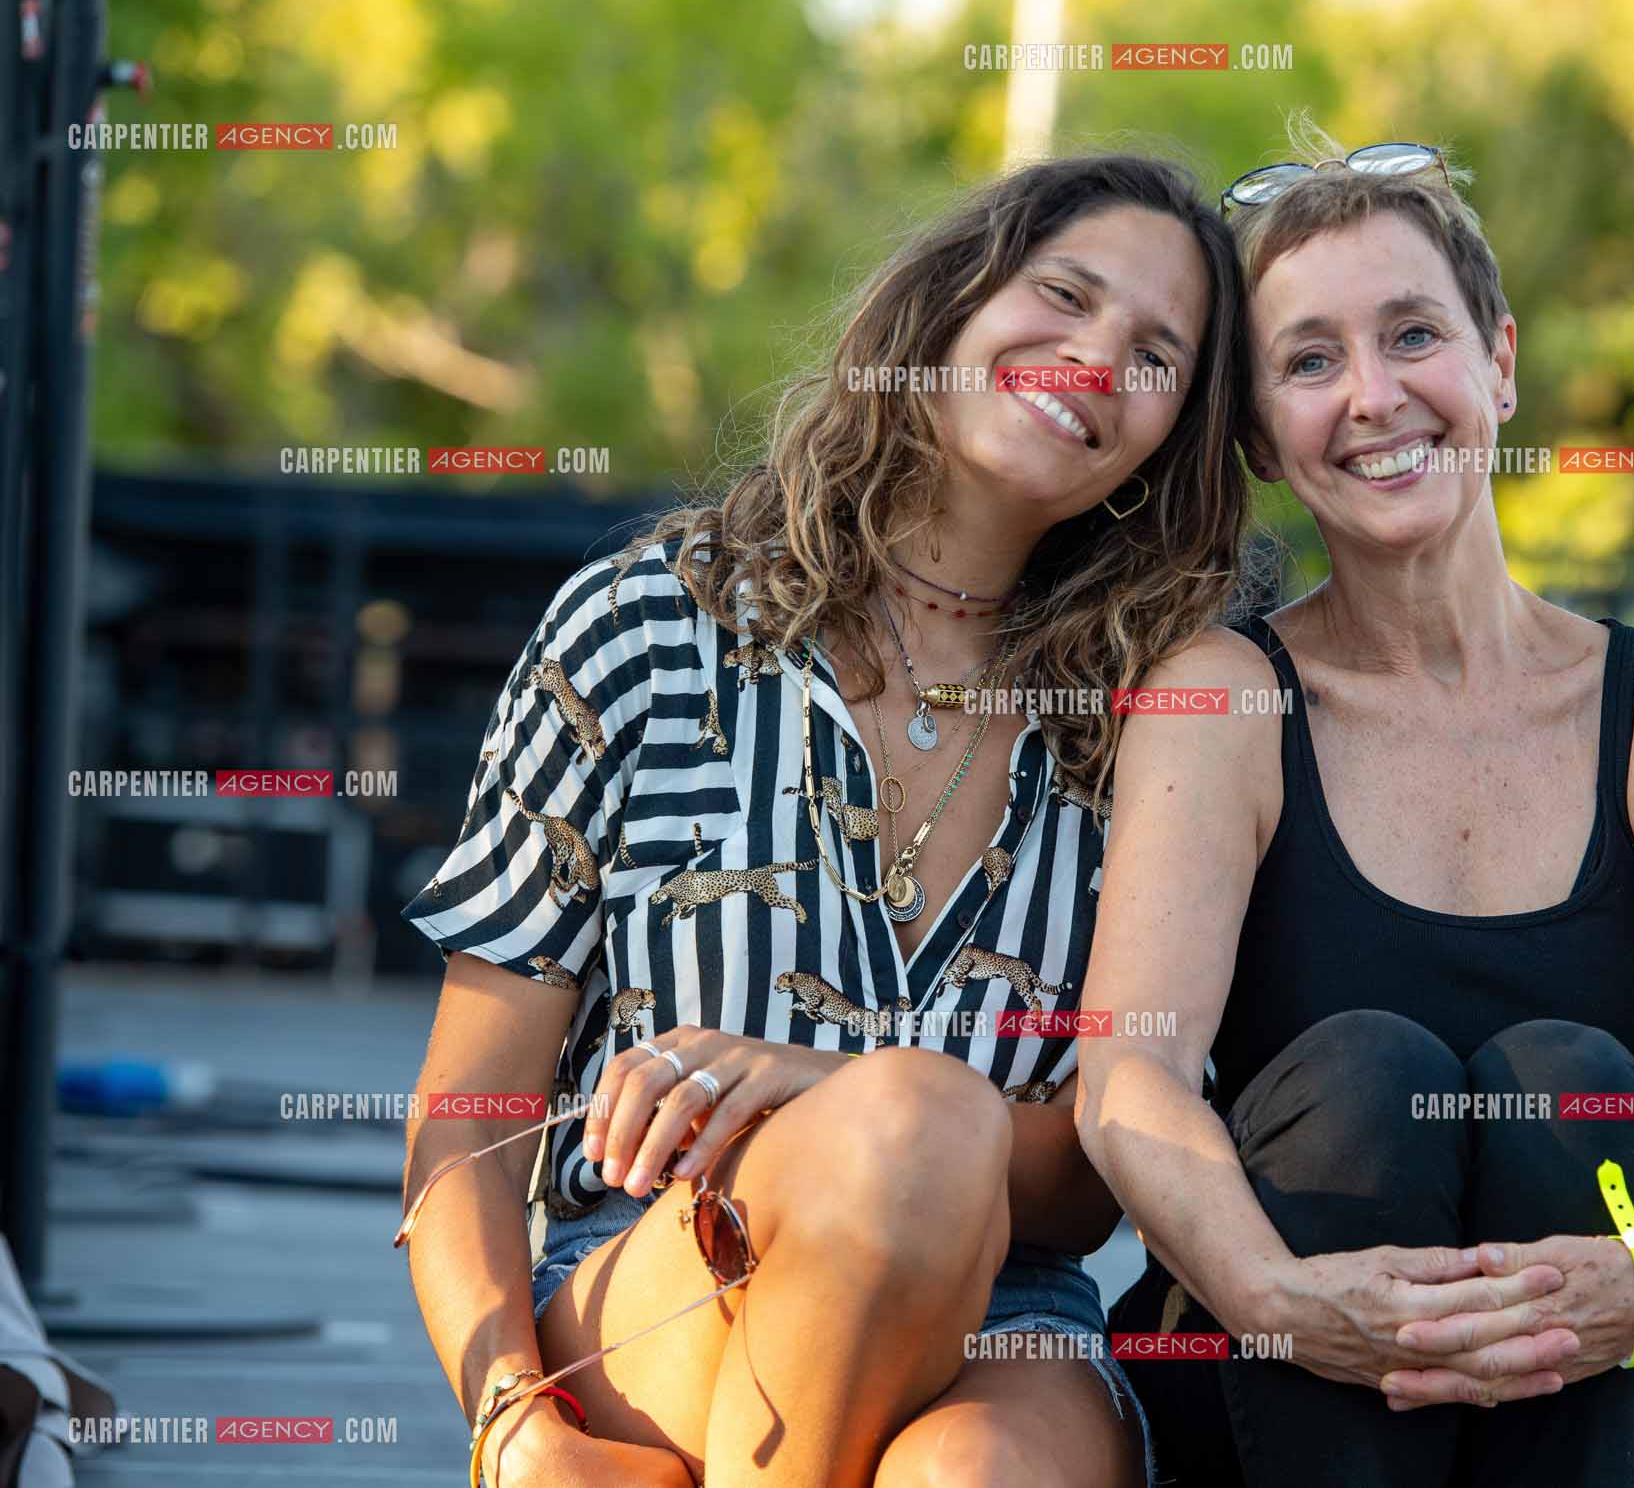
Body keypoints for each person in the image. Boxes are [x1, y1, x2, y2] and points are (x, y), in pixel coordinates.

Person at [396, 151, 1250, 1488]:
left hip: (1009, 1322)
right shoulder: (644, 628)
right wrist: (513, 1428)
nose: (1092, 358)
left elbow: (1101, 1170)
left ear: (1170, 439)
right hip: (652, 1282)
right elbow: (469, 1112)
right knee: (911, 1126)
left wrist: (868, 1105)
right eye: (1064, 294)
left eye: (1155, 356)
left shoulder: (1156, 720)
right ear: (950, 307)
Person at [1074, 121, 1634, 1486]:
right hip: (1272, 1366)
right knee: (1370, 1080)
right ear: (1261, 439)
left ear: (1499, 365)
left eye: (1411, 334)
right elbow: (1128, 1074)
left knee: (1566, 1088)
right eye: (1308, 361)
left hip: (1603, 1389)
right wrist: (1282, 1305)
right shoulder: (1220, 696)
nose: (1370, 395)